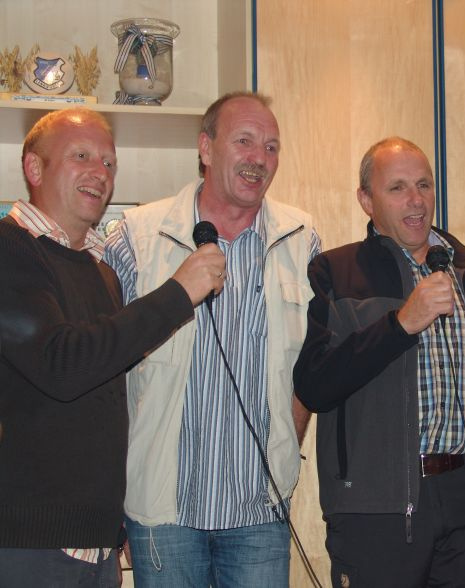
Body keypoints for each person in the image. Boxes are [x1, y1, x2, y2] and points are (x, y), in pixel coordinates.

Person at [0, 108, 224, 586]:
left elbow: (104, 396)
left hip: (96, 542)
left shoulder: (100, 268)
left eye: (108, 163)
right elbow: (61, 365)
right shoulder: (10, 247)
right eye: (81, 156)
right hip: (30, 545)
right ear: (34, 168)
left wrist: (114, 519)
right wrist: (177, 294)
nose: (100, 173)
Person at [104, 92, 320, 586]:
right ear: (205, 147)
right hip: (163, 510)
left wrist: (286, 445)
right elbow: (105, 369)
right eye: (244, 141)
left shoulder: (301, 237)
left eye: (271, 147)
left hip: (260, 510)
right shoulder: (137, 236)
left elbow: (309, 365)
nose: (259, 158)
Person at [294, 137, 465, 587]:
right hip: (379, 509)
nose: (415, 200)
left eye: (423, 185)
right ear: (366, 200)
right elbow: (315, 385)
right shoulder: (335, 271)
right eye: (396, 188)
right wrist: (400, 325)